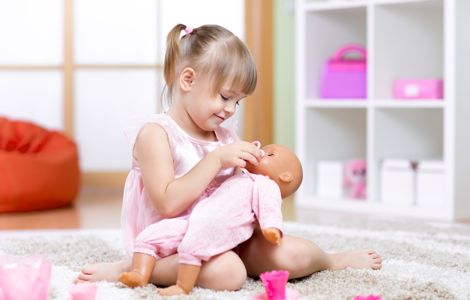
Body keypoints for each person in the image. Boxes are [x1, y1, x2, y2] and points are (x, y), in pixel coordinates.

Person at [76, 23, 382, 292]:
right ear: (187, 80)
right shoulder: (156, 134)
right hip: (169, 244)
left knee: (291, 254)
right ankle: (133, 266)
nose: (231, 110)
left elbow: (242, 189)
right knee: (230, 273)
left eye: (238, 101)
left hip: (224, 235)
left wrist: (267, 176)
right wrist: (216, 161)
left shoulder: (222, 135)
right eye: (225, 97)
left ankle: (331, 260)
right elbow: (167, 203)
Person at [119, 142, 302, 296]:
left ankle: (183, 286)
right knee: (151, 235)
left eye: (269, 154)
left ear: (285, 176)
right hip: (193, 218)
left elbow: (270, 208)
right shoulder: (241, 176)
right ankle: (138, 273)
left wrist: (271, 228)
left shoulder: (266, 184)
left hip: (216, 228)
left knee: (193, 248)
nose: (261, 152)